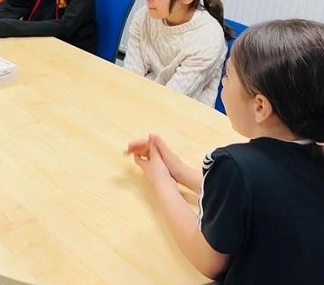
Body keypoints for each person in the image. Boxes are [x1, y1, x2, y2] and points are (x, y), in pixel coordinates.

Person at [126, 19, 324, 285]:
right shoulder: (315, 154)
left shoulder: (233, 166)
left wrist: (161, 179)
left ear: (260, 107)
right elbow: (257, 201)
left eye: (228, 75)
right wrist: (181, 172)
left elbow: (207, 260)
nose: (222, 81)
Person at [123, 0, 232, 106]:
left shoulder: (209, 38)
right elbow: (131, 75)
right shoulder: (144, 16)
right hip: (142, 100)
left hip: (182, 112)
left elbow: (172, 98)